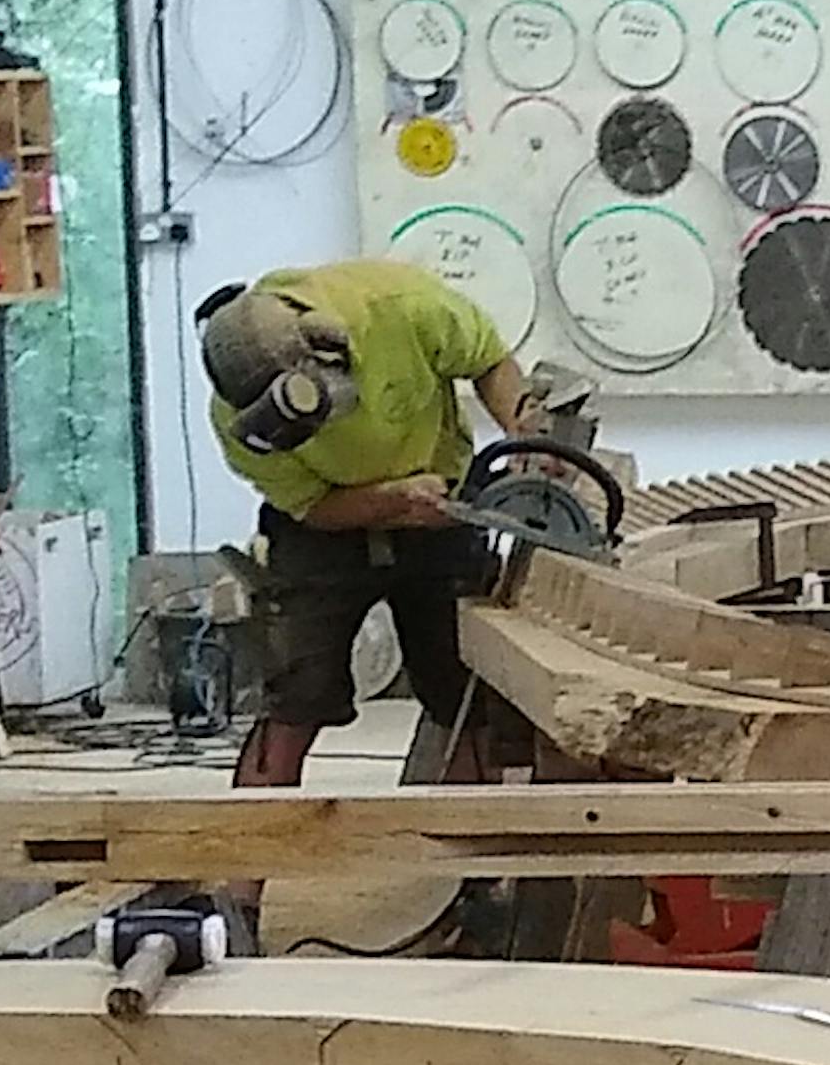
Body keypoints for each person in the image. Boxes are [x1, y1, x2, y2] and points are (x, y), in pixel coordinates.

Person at [193, 261, 581, 787]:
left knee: (463, 692)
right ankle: (246, 860)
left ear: (330, 354)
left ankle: (476, 857)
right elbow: (313, 507)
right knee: (296, 696)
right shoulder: (239, 425)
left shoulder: (402, 305)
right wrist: (387, 500)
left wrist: (525, 429)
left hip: (443, 510)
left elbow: (488, 360)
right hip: (321, 535)